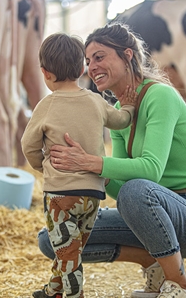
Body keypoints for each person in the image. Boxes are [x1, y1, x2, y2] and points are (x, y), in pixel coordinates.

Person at [37, 23, 186, 298]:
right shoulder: (117, 112)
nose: (92, 67)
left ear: (127, 55)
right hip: (152, 215)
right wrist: (78, 170)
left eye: (99, 57)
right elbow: (120, 190)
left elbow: (151, 170)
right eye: (88, 61)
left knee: (138, 190)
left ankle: (179, 285)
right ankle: (151, 261)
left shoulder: (161, 95)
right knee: (53, 239)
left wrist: (92, 162)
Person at [21, 32, 137, 298]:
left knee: (67, 251)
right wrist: (129, 106)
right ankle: (54, 290)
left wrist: (43, 166)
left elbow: (28, 145)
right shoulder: (96, 100)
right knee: (70, 250)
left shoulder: (46, 105)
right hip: (93, 195)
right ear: (82, 68)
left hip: (60, 195)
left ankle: (74, 294)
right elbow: (120, 120)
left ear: (45, 73)